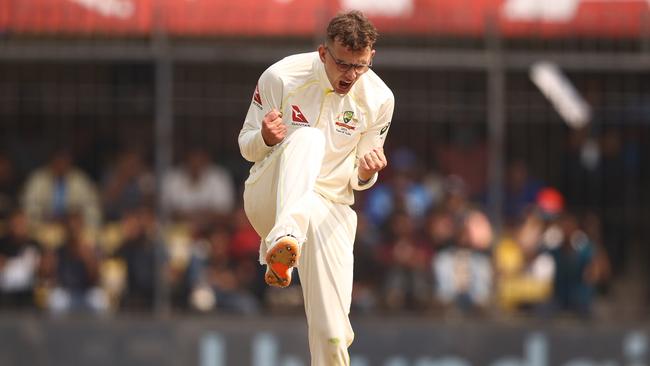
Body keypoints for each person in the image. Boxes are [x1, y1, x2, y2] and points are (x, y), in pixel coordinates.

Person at [238, 10, 394, 365]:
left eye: (360, 66)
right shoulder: (281, 76)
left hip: (330, 209)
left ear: (371, 58)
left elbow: (359, 177)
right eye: (341, 64)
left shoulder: (380, 99)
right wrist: (263, 137)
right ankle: (285, 240)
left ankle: (286, 250)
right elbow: (246, 146)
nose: (350, 75)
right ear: (323, 53)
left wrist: (368, 172)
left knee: (334, 333)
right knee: (307, 138)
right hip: (272, 196)